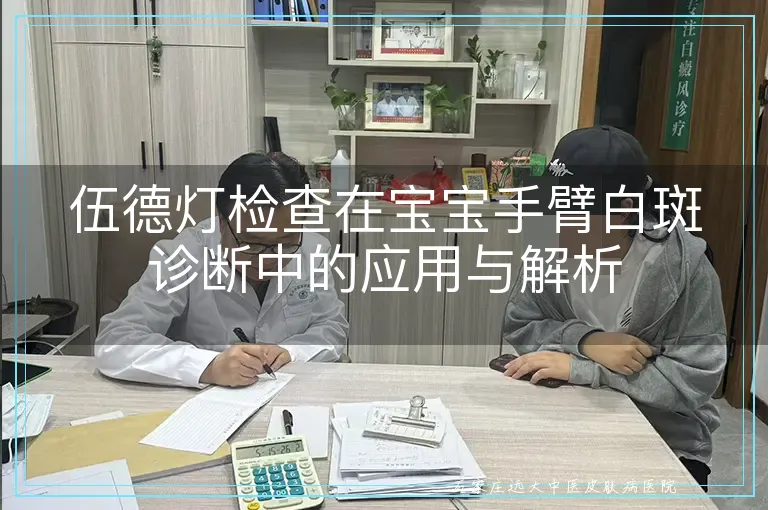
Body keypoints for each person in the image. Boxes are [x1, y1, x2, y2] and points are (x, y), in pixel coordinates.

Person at [500, 126, 726, 491]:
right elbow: (520, 322)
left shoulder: (684, 268)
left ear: (623, 211)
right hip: (563, 416)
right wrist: (587, 341)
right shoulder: (548, 251)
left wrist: (583, 369)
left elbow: (694, 380)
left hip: (663, 436)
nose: (554, 222)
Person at [94, 152, 349, 389]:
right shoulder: (182, 256)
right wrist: (207, 366)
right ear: (222, 221)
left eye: (286, 243)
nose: (269, 259)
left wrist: (292, 352)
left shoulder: (313, 250)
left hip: (287, 392)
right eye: (251, 243)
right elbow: (115, 341)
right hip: (202, 403)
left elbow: (331, 325)